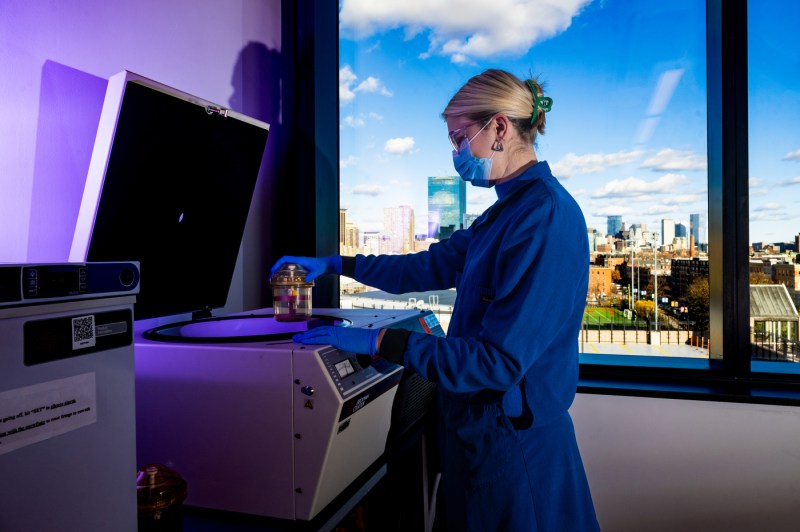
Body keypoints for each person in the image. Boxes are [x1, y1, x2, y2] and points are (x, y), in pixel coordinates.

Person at [272, 69, 599, 531]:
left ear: (500, 128)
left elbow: (496, 363)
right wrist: (334, 264)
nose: (456, 154)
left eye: (461, 138)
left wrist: (381, 342)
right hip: (474, 442)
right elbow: (422, 268)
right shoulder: (502, 216)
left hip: (515, 453)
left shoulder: (544, 217)